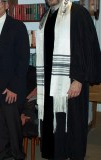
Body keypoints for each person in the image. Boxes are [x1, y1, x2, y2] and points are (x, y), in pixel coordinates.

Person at [36, 0, 101, 159]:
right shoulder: (46, 16)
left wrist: (78, 79)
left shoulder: (78, 13)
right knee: (54, 124)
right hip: (50, 83)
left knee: (72, 125)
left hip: (70, 81)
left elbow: (87, 47)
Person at [0, 0, 30, 160]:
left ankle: (18, 155)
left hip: (11, 86)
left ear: (7, 5)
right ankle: (3, 154)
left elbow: (23, 60)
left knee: (13, 125)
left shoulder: (18, 27)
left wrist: (14, 87)